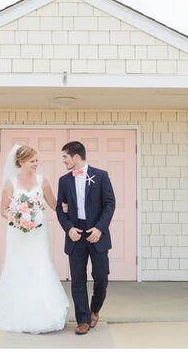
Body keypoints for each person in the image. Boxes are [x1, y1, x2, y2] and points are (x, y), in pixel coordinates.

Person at [0, 145, 69, 334]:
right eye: (32, 161)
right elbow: (3, 211)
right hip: (18, 234)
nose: (36, 164)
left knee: (40, 265)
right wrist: (19, 217)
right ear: (21, 162)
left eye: (37, 160)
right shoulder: (11, 183)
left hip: (38, 234)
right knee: (18, 267)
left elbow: (55, 205)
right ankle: (17, 312)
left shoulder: (42, 182)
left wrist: (70, 208)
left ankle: (44, 311)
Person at [55, 141, 116, 335]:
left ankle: (94, 310)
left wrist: (99, 229)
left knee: (101, 276)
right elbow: (60, 208)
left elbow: (109, 204)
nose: (63, 161)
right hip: (75, 235)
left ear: (76, 156)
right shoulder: (64, 181)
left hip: (97, 234)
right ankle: (83, 319)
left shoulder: (101, 176)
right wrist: (69, 229)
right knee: (78, 280)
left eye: (65, 157)